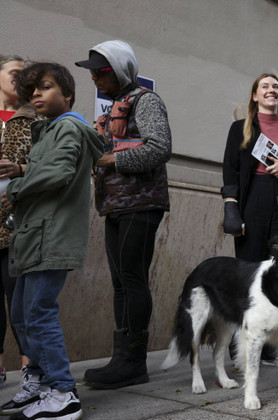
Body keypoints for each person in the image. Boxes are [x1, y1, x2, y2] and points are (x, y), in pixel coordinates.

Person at [0, 62, 103, 420]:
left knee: (39, 313)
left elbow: (60, 171)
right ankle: (42, 382)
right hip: (36, 236)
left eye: (45, 87)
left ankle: (63, 392)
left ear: (68, 94)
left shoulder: (69, 127)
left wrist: (15, 186)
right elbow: (54, 165)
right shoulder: (52, 131)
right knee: (21, 313)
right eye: (32, 92)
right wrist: (24, 169)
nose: (36, 95)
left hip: (51, 236)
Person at [75, 40, 172, 389]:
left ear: (119, 70)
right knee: (120, 283)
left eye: (100, 72)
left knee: (132, 279)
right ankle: (123, 358)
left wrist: (111, 159)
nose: (95, 79)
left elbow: (160, 148)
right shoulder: (114, 106)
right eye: (92, 73)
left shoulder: (145, 101)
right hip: (116, 205)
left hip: (141, 204)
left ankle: (133, 362)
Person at [222, 73, 278, 364]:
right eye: (265, 86)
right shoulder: (241, 128)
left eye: (276, 86)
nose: (272, 90)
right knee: (248, 271)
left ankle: (275, 348)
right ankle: (246, 346)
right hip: (252, 201)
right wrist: (231, 207)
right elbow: (230, 171)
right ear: (254, 96)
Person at [0, 54, 33, 387]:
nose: (19, 78)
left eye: (25, 75)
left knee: (20, 300)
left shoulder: (33, 119)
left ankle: (29, 366)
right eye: (13, 72)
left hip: (17, 222)